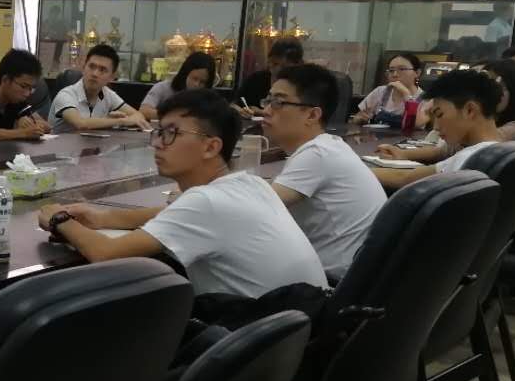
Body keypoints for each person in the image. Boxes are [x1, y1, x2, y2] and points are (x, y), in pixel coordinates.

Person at [38, 89, 326, 300]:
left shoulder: (206, 202)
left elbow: (105, 253)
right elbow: (170, 213)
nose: (157, 144)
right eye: (159, 132)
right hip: (297, 332)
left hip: (243, 338)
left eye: (171, 134)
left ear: (211, 147)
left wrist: (59, 219)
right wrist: (102, 218)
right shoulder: (251, 184)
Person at [262, 63, 385, 279]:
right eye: (268, 100)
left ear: (312, 115)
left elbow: (258, 207)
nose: (266, 110)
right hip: (349, 275)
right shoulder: (328, 147)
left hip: (330, 285)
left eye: (278, 102)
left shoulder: (318, 154)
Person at [370, 68, 503, 189]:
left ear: (469, 110)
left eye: (439, 114)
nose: (436, 127)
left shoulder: (472, 158)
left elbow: (404, 178)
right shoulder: (499, 151)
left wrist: (360, 171)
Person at [48, 44, 150, 134]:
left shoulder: (108, 94)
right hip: (59, 149)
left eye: (102, 70)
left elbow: (138, 116)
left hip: (90, 147)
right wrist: (120, 121)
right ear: (83, 67)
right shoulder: (66, 95)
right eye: (91, 67)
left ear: (112, 76)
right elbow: (80, 124)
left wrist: (109, 120)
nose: (95, 74)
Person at [351, 53, 423, 128]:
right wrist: (360, 119)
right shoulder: (380, 91)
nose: (395, 74)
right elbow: (358, 117)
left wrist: (406, 94)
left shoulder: (425, 99)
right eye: (391, 70)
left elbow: (411, 125)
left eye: (402, 69)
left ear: (417, 73)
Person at [237, 37, 304, 118]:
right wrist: (241, 111)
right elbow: (233, 105)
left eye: (285, 67)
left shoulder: (303, 85)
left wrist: (261, 112)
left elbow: (300, 114)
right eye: (274, 63)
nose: (278, 69)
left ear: (297, 65)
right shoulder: (256, 79)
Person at [140, 51, 216, 122]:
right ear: (185, 74)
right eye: (194, 78)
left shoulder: (209, 98)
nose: (197, 84)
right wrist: (175, 117)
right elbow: (144, 111)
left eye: (202, 82)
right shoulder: (163, 87)